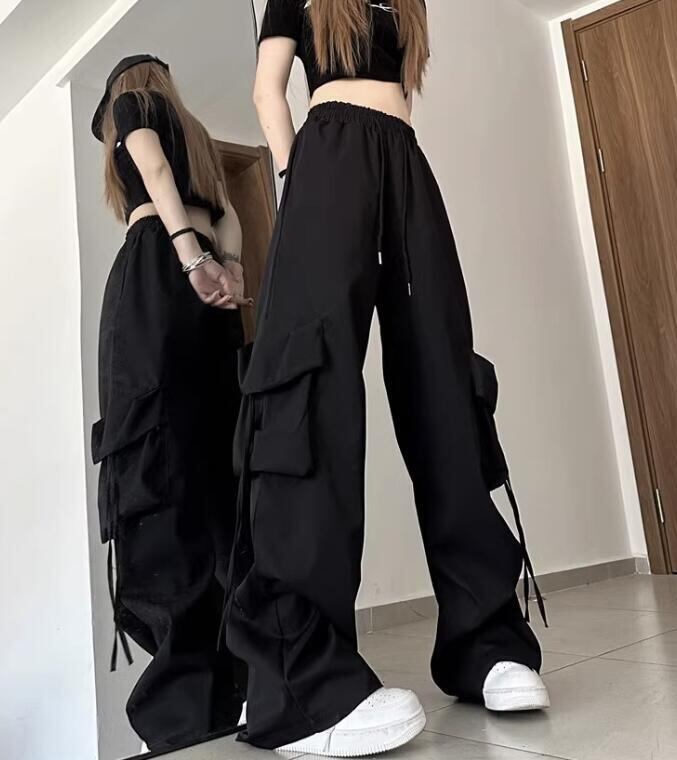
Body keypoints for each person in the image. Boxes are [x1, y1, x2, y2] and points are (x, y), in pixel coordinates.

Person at [225, 1, 549, 756]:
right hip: (324, 158)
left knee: (445, 378)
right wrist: (297, 178)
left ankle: (485, 641)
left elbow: (400, 96)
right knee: (311, 385)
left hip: (404, 160)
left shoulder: (409, 4)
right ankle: (300, 680)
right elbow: (268, 89)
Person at [90, 54, 250, 752]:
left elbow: (151, 167)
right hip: (210, 302)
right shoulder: (203, 142)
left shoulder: (133, 109)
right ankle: (237, 678)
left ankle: (183, 708)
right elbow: (232, 217)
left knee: (153, 459)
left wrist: (186, 255)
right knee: (218, 468)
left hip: (159, 276)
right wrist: (225, 267)